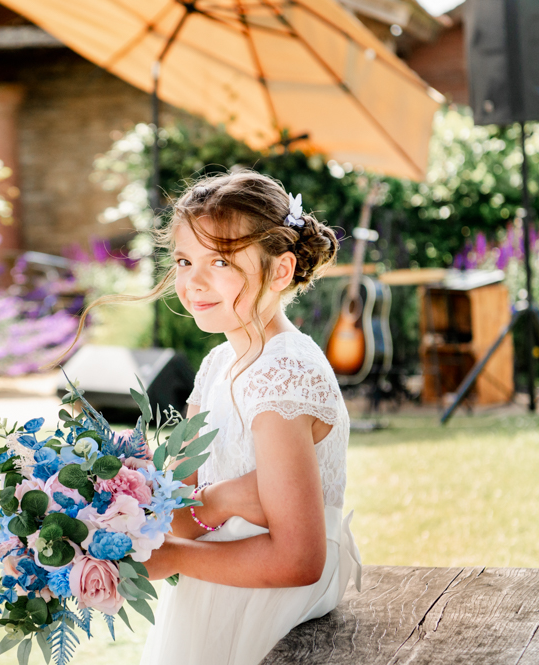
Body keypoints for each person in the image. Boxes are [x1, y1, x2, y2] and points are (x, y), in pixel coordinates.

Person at [79, 170, 361, 664]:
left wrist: (176, 550)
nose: (193, 281)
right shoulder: (217, 367)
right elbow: (181, 518)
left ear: (279, 271)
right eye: (186, 260)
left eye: (221, 261)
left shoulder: (283, 374)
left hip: (265, 607)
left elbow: (299, 561)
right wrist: (133, 496)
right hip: (217, 589)